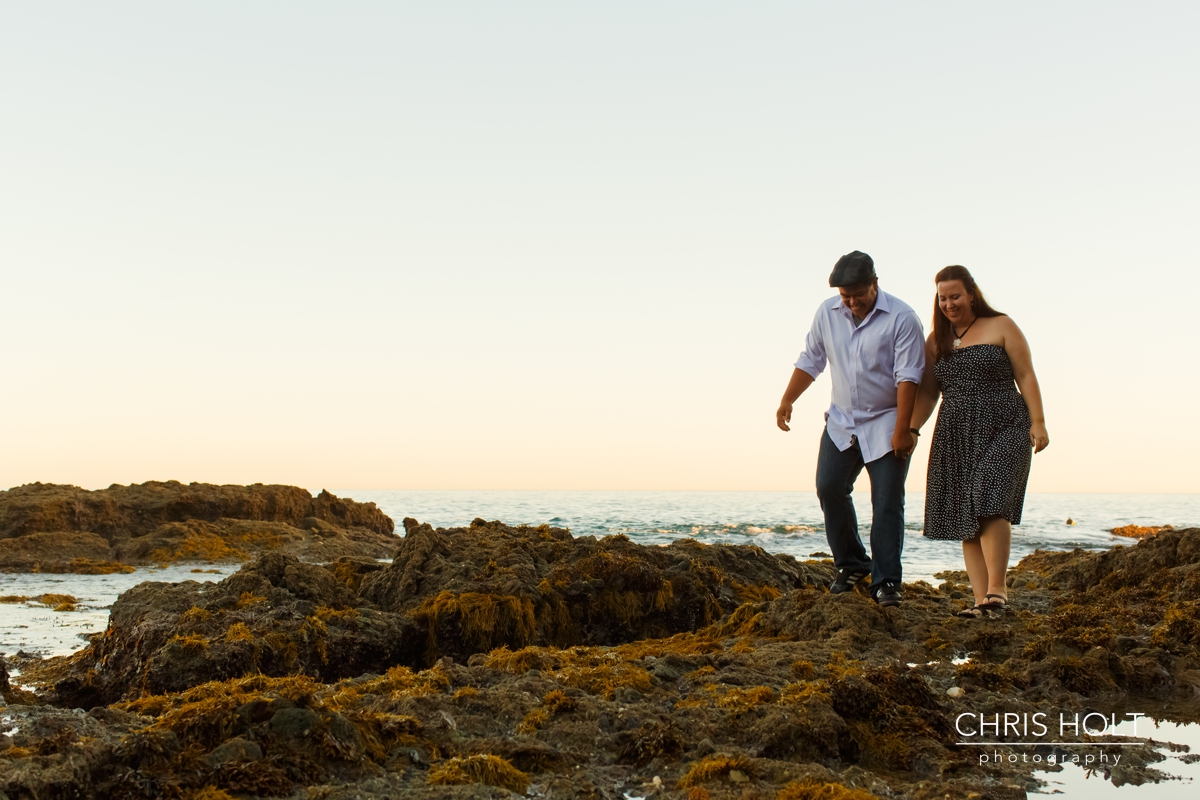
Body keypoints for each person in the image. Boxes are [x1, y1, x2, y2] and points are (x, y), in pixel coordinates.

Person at [776, 251, 926, 607]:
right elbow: (811, 359)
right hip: (843, 421)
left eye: (859, 294)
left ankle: (887, 581)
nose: (853, 302)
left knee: (887, 501)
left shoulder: (903, 318)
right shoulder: (827, 313)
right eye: (846, 296)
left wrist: (905, 429)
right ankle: (853, 564)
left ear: (875, 283)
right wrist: (788, 399)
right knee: (829, 487)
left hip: (888, 419)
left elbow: (909, 376)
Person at [909, 265, 1049, 618]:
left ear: (971, 293)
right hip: (956, 431)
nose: (949, 304)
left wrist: (1039, 422)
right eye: (942, 298)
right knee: (963, 513)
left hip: (1006, 422)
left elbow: (1026, 374)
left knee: (989, 495)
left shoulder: (1001, 325)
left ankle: (998, 590)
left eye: (955, 296)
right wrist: (911, 430)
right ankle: (981, 601)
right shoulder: (936, 340)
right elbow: (928, 393)